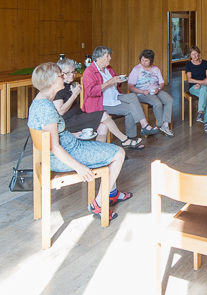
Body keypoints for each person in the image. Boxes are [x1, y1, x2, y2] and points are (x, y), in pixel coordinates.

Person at [28, 62, 131, 220]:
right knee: (118, 153)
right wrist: (79, 168)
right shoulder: (46, 109)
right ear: (52, 81)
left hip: (68, 148)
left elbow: (54, 136)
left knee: (105, 147)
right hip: (66, 156)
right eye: (61, 75)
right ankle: (98, 204)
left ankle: (111, 193)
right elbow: (55, 147)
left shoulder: (39, 101)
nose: (64, 77)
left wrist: (74, 135)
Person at [54, 58, 144, 149]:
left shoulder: (71, 85)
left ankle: (99, 151)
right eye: (68, 73)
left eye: (73, 72)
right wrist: (74, 95)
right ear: (60, 74)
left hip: (78, 116)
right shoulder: (58, 89)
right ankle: (124, 140)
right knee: (103, 114)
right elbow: (61, 111)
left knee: (103, 126)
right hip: (68, 121)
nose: (72, 75)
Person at [83, 46, 159, 140]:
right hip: (101, 103)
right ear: (99, 58)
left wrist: (119, 80)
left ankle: (143, 127)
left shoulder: (108, 68)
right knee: (130, 110)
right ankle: (132, 138)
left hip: (115, 96)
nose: (110, 58)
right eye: (107, 56)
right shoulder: (89, 72)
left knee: (132, 96)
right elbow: (91, 92)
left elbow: (116, 83)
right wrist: (110, 82)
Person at [128, 49, 174, 137]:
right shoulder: (136, 70)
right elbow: (130, 87)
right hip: (142, 92)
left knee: (169, 100)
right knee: (157, 103)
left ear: (151, 61)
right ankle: (160, 124)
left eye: (146, 60)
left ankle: (165, 124)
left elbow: (161, 83)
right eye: (142, 60)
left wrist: (158, 88)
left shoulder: (156, 68)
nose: (143, 62)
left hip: (156, 90)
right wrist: (142, 91)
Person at [184, 46, 207, 132]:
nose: (195, 55)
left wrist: (202, 83)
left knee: (204, 89)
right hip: (194, 87)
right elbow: (189, 79)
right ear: (190, 55)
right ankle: (206, 122)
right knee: (206, 96)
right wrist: (202, 82)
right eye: (192, 54)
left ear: (199, 54)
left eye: (196, 53)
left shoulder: (204, 62)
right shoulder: (188, 65)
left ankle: (201, 113)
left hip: (204, 85)